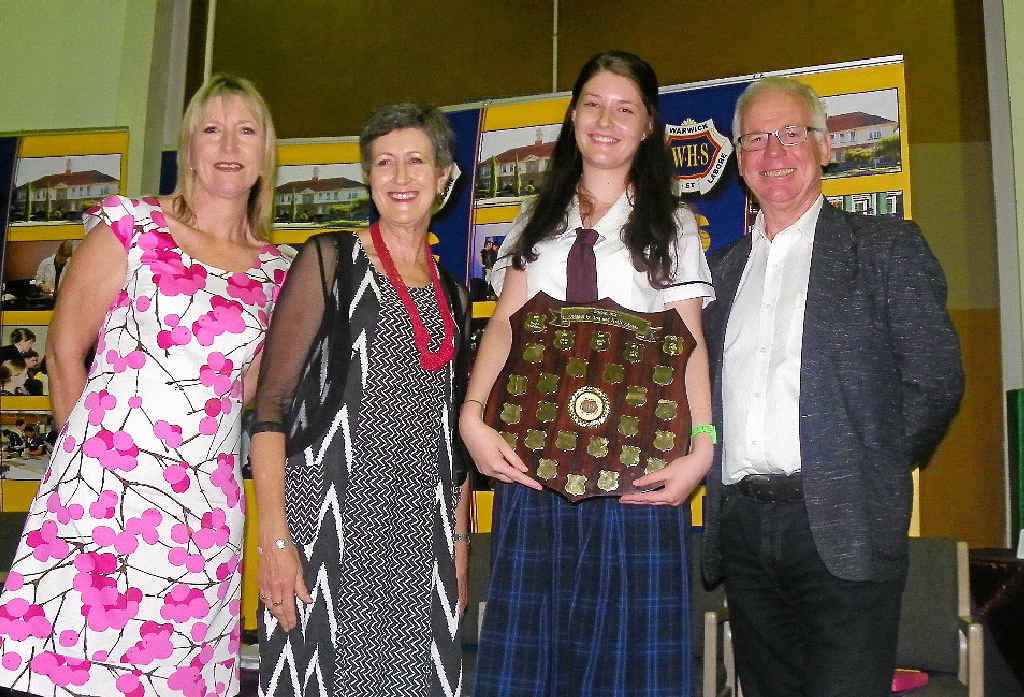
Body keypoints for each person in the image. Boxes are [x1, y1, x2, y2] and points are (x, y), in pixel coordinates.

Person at [0, 73, 289, 697]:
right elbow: (62, 349)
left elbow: (256, 400)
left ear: (266, 151)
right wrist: (88, 475)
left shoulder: (278, 272)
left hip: (202, 518)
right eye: (211, 130)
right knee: (76, 673)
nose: (228, 144)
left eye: (246, 129)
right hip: (101, 503)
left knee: (173, 679)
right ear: (189, 147)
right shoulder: (131, 228)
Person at [460, 51, 715, 697]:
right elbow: (505, 325)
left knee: (632, 672)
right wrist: (472, 414)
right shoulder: (535, 220)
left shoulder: (672, 224)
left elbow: (689, 343)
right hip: (535, 469)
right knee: (532, 669)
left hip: (637, 474)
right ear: (573, 115)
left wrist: (703, 446)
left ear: (648, 125)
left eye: (625, 108)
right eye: (594, 104)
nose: (607, 120)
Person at [701, 77, 964, 697]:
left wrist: (864, 468)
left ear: (824, 147)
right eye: (756, 139)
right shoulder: (721, 272)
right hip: (743, 530)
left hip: (846, 526)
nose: (774, 152)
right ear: (739, 161)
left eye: (791, 133)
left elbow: (934, 377)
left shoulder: (885, 248)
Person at [252, 102, 471, 697]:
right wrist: (275, 542)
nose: (401, 178)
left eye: (416, 161)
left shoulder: (455, 291)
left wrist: (459, 542)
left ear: (445, 177)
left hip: (421, 537)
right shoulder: (330, 260)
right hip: (329, 526)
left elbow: (455, 431)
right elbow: (269, 407)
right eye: (384, 164)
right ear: (368, 178)